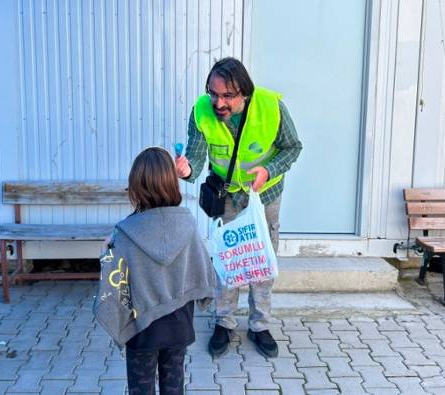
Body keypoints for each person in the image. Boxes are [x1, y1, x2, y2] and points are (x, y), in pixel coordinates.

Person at [174, 57, 303, 358]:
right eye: (213, 93)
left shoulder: (272, 108)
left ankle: (260, 326)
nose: (219, 102)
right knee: (227, 262)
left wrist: (269, 170)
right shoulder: (201, 111)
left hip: (265, 197)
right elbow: (195, 156)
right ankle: (224, 322)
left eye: (227, 96)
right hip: (228, 197)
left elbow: (293, 147)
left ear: (244, 92)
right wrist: (185, 170)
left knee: (261, 263)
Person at [93, 147, 217, 395]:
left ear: (136, 187)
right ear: (172, 184)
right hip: (179, 326)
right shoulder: (189, 225)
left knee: (141, 388)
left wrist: (107, 251)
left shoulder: (124, 233)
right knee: (174, 387)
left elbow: (114, 285)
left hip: (141, 329)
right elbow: (203, 271)